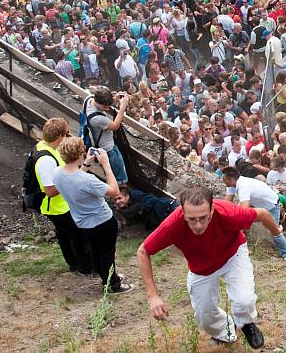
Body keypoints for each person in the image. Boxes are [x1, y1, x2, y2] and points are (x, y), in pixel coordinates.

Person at [137, 185, 285, 349]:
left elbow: (263, 214)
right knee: (205, 318)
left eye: (203, 218)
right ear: (183, 214)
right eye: (192, 219)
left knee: (244, 300)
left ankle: (246, 323)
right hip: (201, 267)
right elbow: (143, 251)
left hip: (232, 255)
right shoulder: (173, 224)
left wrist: (277, 234)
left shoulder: (229, 213)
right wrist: (153, 296)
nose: (198, 225)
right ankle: (226, 330)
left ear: (212, 211)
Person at [53, 137, 132, 294]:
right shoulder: (88, 180)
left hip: (82, 222)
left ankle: (105, 277)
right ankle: (112, 285)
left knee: (96, 250)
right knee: (107, 252)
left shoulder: (57, 173)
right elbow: (114, 191)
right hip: (102, 220)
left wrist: (87, 164)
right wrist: (106, 164)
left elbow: (74, 177)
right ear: (79, 153)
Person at [33, 118, 92, 276]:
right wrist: (69, 181)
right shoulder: (45, 160)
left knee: (66, 236)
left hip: (62, 204)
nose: (68, 136)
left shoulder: (47, 148)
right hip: (57, 207)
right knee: (78, 236)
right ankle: (84, 267)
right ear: (59, 136)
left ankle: (74, 264)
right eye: (66, 133)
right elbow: (50, 190)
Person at [222, 166, 286, 260]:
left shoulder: (244, 186)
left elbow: (243, 210)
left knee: (273, 230)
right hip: (256, 202)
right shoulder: (232, 185)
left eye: (224, 179)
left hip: (271, 204)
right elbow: (226, 203)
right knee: (238, 220)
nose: (222, 181)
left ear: (230, 180)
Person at [84, 87, 130, 186]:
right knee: (119, 177)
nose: (108, 109)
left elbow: (103, 106)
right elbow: (115, 125)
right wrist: (122, 107)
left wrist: (114, 100)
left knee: (110, 171)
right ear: (99, 102)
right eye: (105, 107)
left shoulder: (89, 99)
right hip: (108, 149)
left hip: (101, 145)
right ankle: (119, 192)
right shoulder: (97, 119)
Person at [113, 187, 179, 231]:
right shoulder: (126, 205)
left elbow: (153, 199)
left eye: (119, 198)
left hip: (167, 207)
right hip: (160, 216)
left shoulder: (135, 194)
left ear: (127, 196)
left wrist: (142, 210)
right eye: (115, 199)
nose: (117, 202)